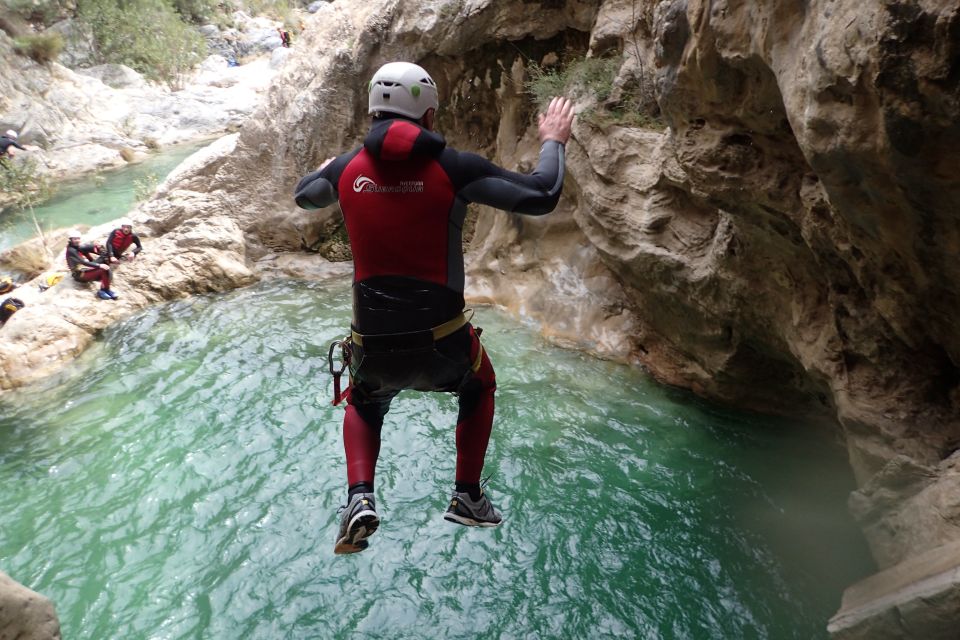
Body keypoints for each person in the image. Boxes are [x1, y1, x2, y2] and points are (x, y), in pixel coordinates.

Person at [294, 61, 574, 554]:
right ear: (427, 113)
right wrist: (554, 139)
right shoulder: (453, 167)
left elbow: (304, 196)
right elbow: (542, 194)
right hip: (443, 345)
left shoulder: (345, 170)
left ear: (373, 111)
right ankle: (467, 496)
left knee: (364, 399)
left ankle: (360, 497)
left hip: (373, 348)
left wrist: (331, 169)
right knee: (480, 382)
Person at [65, 230, 117, 300]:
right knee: (103, 269)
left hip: (85, 270)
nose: (77, 240)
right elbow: (83, 262)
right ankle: (102, 291)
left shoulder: (76, 247)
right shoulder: (71, 250)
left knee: (106, 261)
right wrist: (99, 265)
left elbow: (86, 248)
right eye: (75, 239)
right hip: (79, 275)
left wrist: (97, 247)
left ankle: (106, 289)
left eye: (78, 238)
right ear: (70, 240)